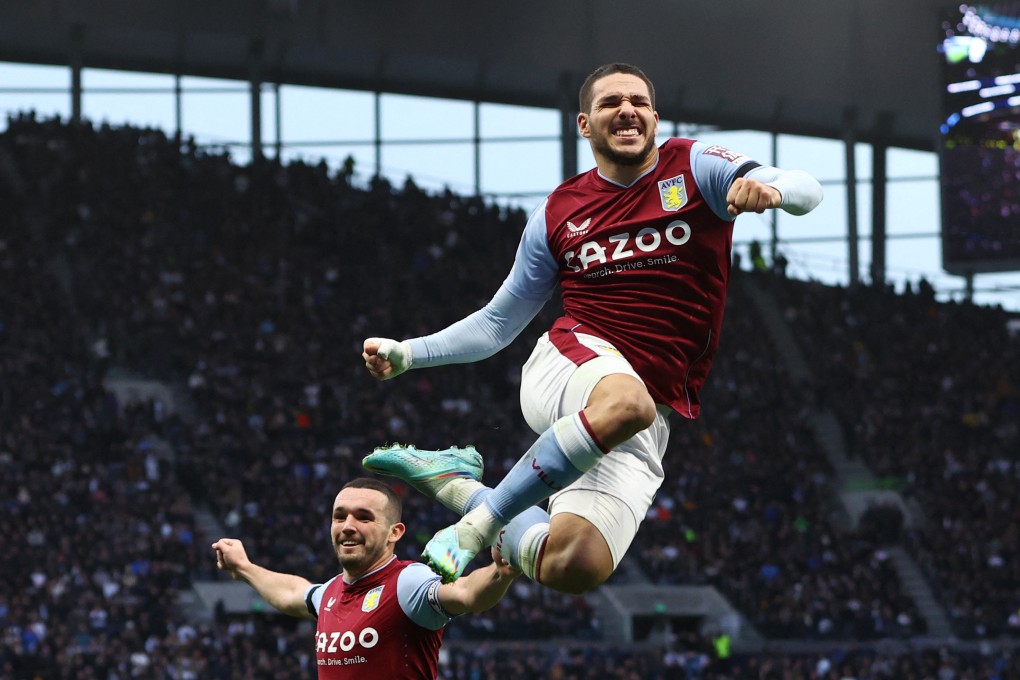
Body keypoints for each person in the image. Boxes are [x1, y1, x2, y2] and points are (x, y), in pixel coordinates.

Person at [361, 62, 824, 593]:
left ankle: (459, 487)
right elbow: (496, 324)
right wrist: (408, 353)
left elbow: (805, 187)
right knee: (627, 403)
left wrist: (772, 191)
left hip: (647, 407)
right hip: (572, 361)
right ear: (585, 124)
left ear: (654, 117)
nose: (626, 109)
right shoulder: (558, 213)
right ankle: (477, 526)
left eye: (638, 101)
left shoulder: (697, 166)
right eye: (609, 103)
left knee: (572, 566)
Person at [212, 477, 519, 679]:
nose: (347, 525)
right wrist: (245, 568)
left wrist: (499, 572)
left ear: (394, 533)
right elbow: (294, 593)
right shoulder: (330, 592)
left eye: (364, 517)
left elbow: (465, 593)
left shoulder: (407, 582)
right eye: (339, 515)